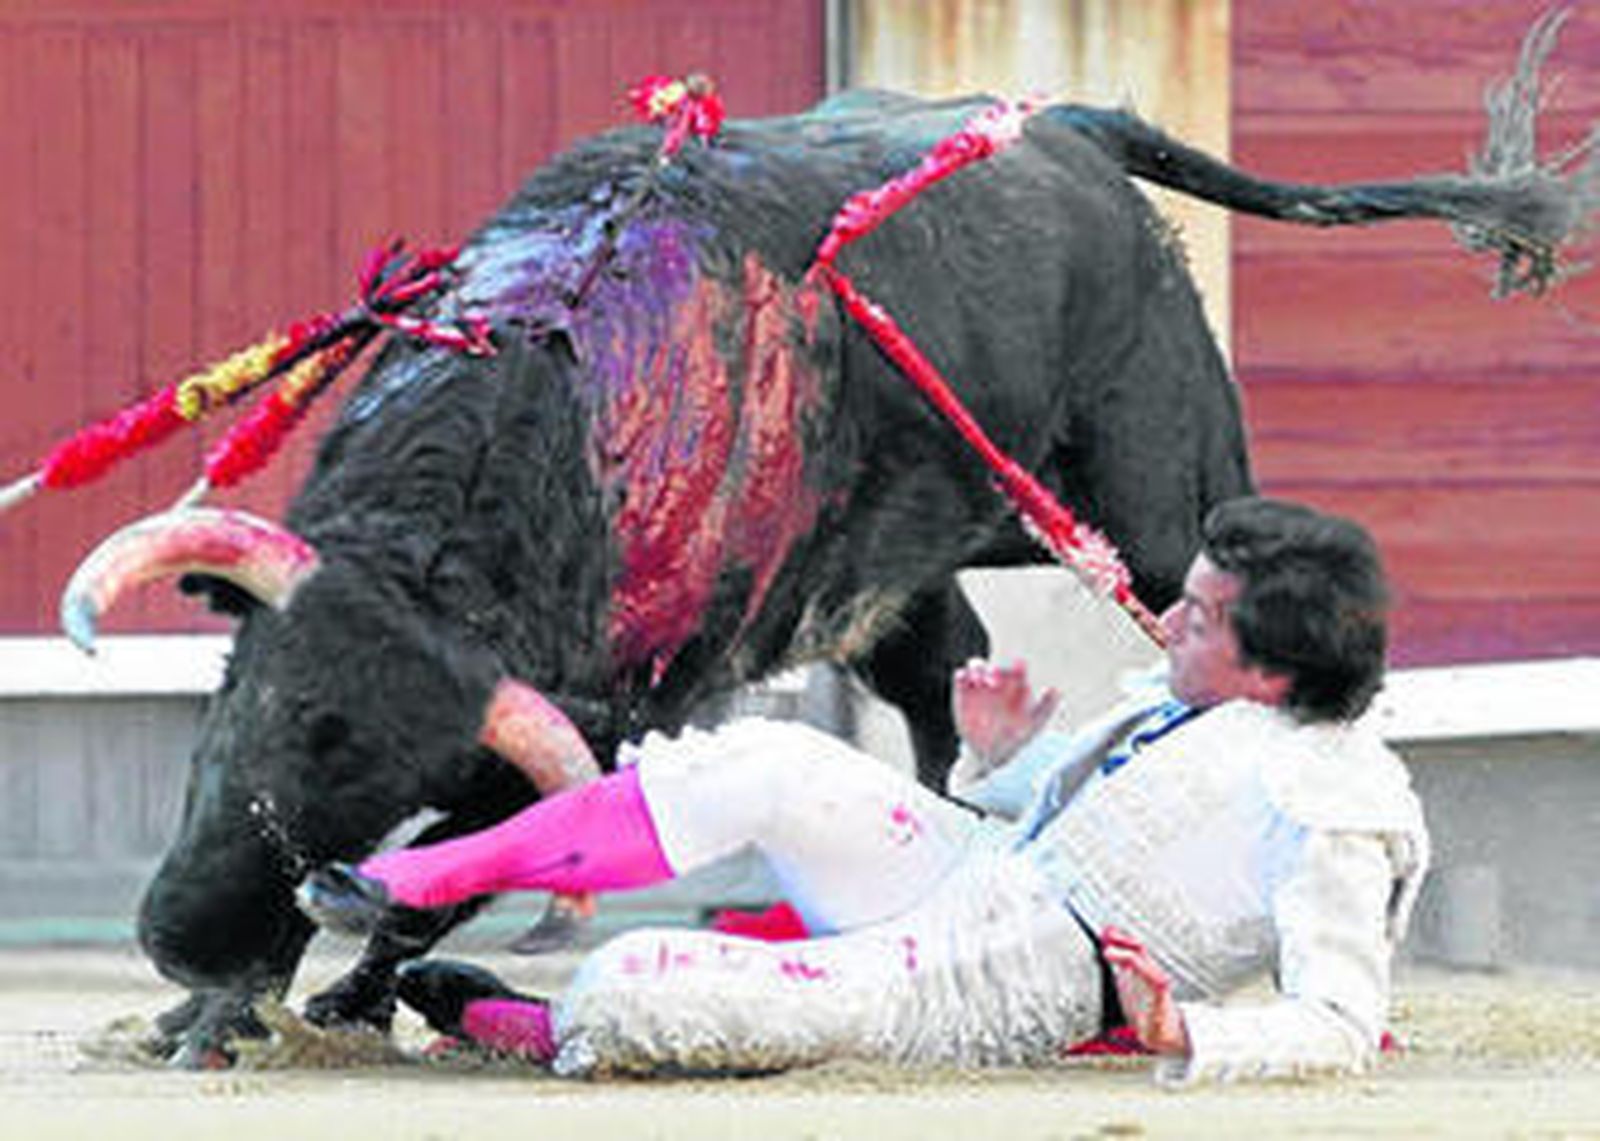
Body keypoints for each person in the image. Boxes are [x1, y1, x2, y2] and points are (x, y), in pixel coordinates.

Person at [299, 497, 1429, 1082]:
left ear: (1274, 671)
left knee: (640, 979)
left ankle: (519, 1023)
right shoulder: (1192, 699)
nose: (1172, 618)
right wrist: (998, 759)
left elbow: (1340, 1019)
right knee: (764, 760)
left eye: (1203, 615)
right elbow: (1086, 829)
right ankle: (418, 878)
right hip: (981, 871)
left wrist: (1183, 1027)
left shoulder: (1338, 806)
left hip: (1000, 986)